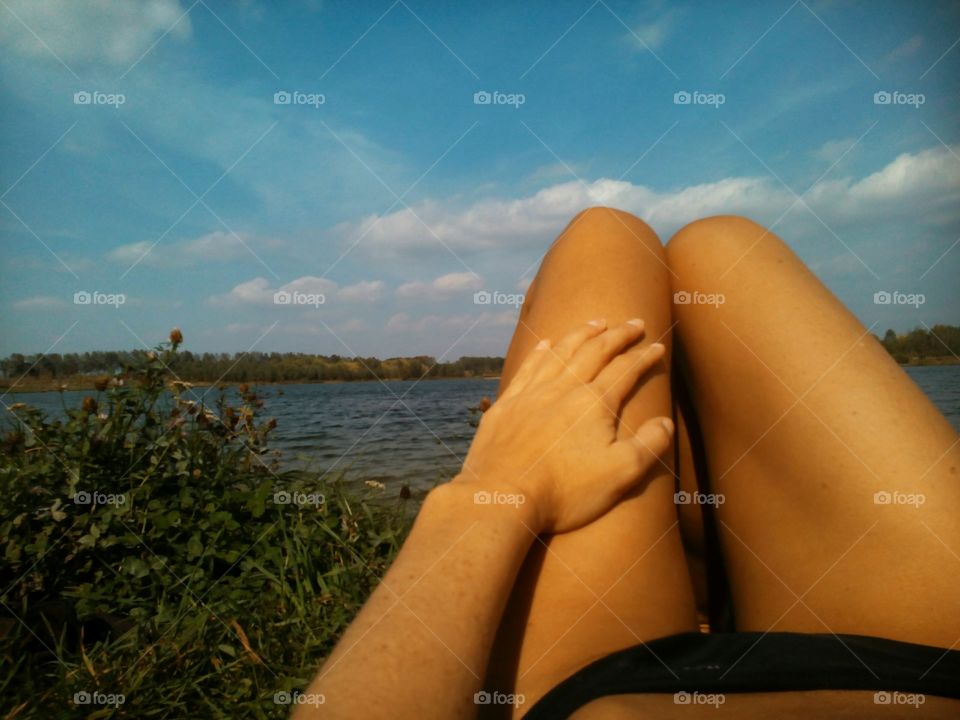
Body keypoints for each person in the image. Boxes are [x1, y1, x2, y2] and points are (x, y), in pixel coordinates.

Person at [294, 209, 960, 719]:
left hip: (613, 686)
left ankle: (692, 567)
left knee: (614, 238)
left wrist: (492, 489)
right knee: (722, 249)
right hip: (922, 672)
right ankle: (704, 559)